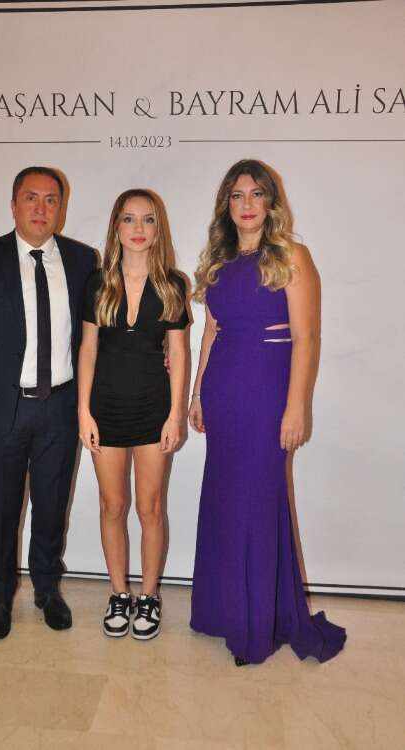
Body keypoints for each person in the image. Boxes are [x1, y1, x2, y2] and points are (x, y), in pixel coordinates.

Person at [189, 159, 346, 665]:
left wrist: (297, 406)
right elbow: (211, 331)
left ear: (271, 202)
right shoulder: (220, 262)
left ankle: (256, 624)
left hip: (266, 393)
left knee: (257, 500)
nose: (247, 204)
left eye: (257, 193)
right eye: (237, 195)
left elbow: (306, 337)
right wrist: (197, 394)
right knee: (224, 498)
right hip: (224, 391)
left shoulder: (292, 255)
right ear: (226, 205)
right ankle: (224, 612)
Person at [0, 166, 96, 639]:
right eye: (31, 198)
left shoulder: (82, 260)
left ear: (61, 209)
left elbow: (95, 334)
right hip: (3, 407)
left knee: (52, 504)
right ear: (13, 205)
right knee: (1, 505)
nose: (41, 208)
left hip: (61, 406)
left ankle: (47, 589)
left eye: (51, 200)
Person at [77, 188, 188, 640]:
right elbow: (87, 349)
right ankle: (119, 593)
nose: (138, 228)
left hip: (153, 410)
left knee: (150, 507)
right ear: (116, 228)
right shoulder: (97, 283)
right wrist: (83, 411)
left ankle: (149, 595)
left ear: (158, 229)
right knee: (112, 505)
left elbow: (178, 353)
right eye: (129, 219)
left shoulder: (173, 284)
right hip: (104, 410)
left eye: (148, 219)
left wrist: (175, 414)